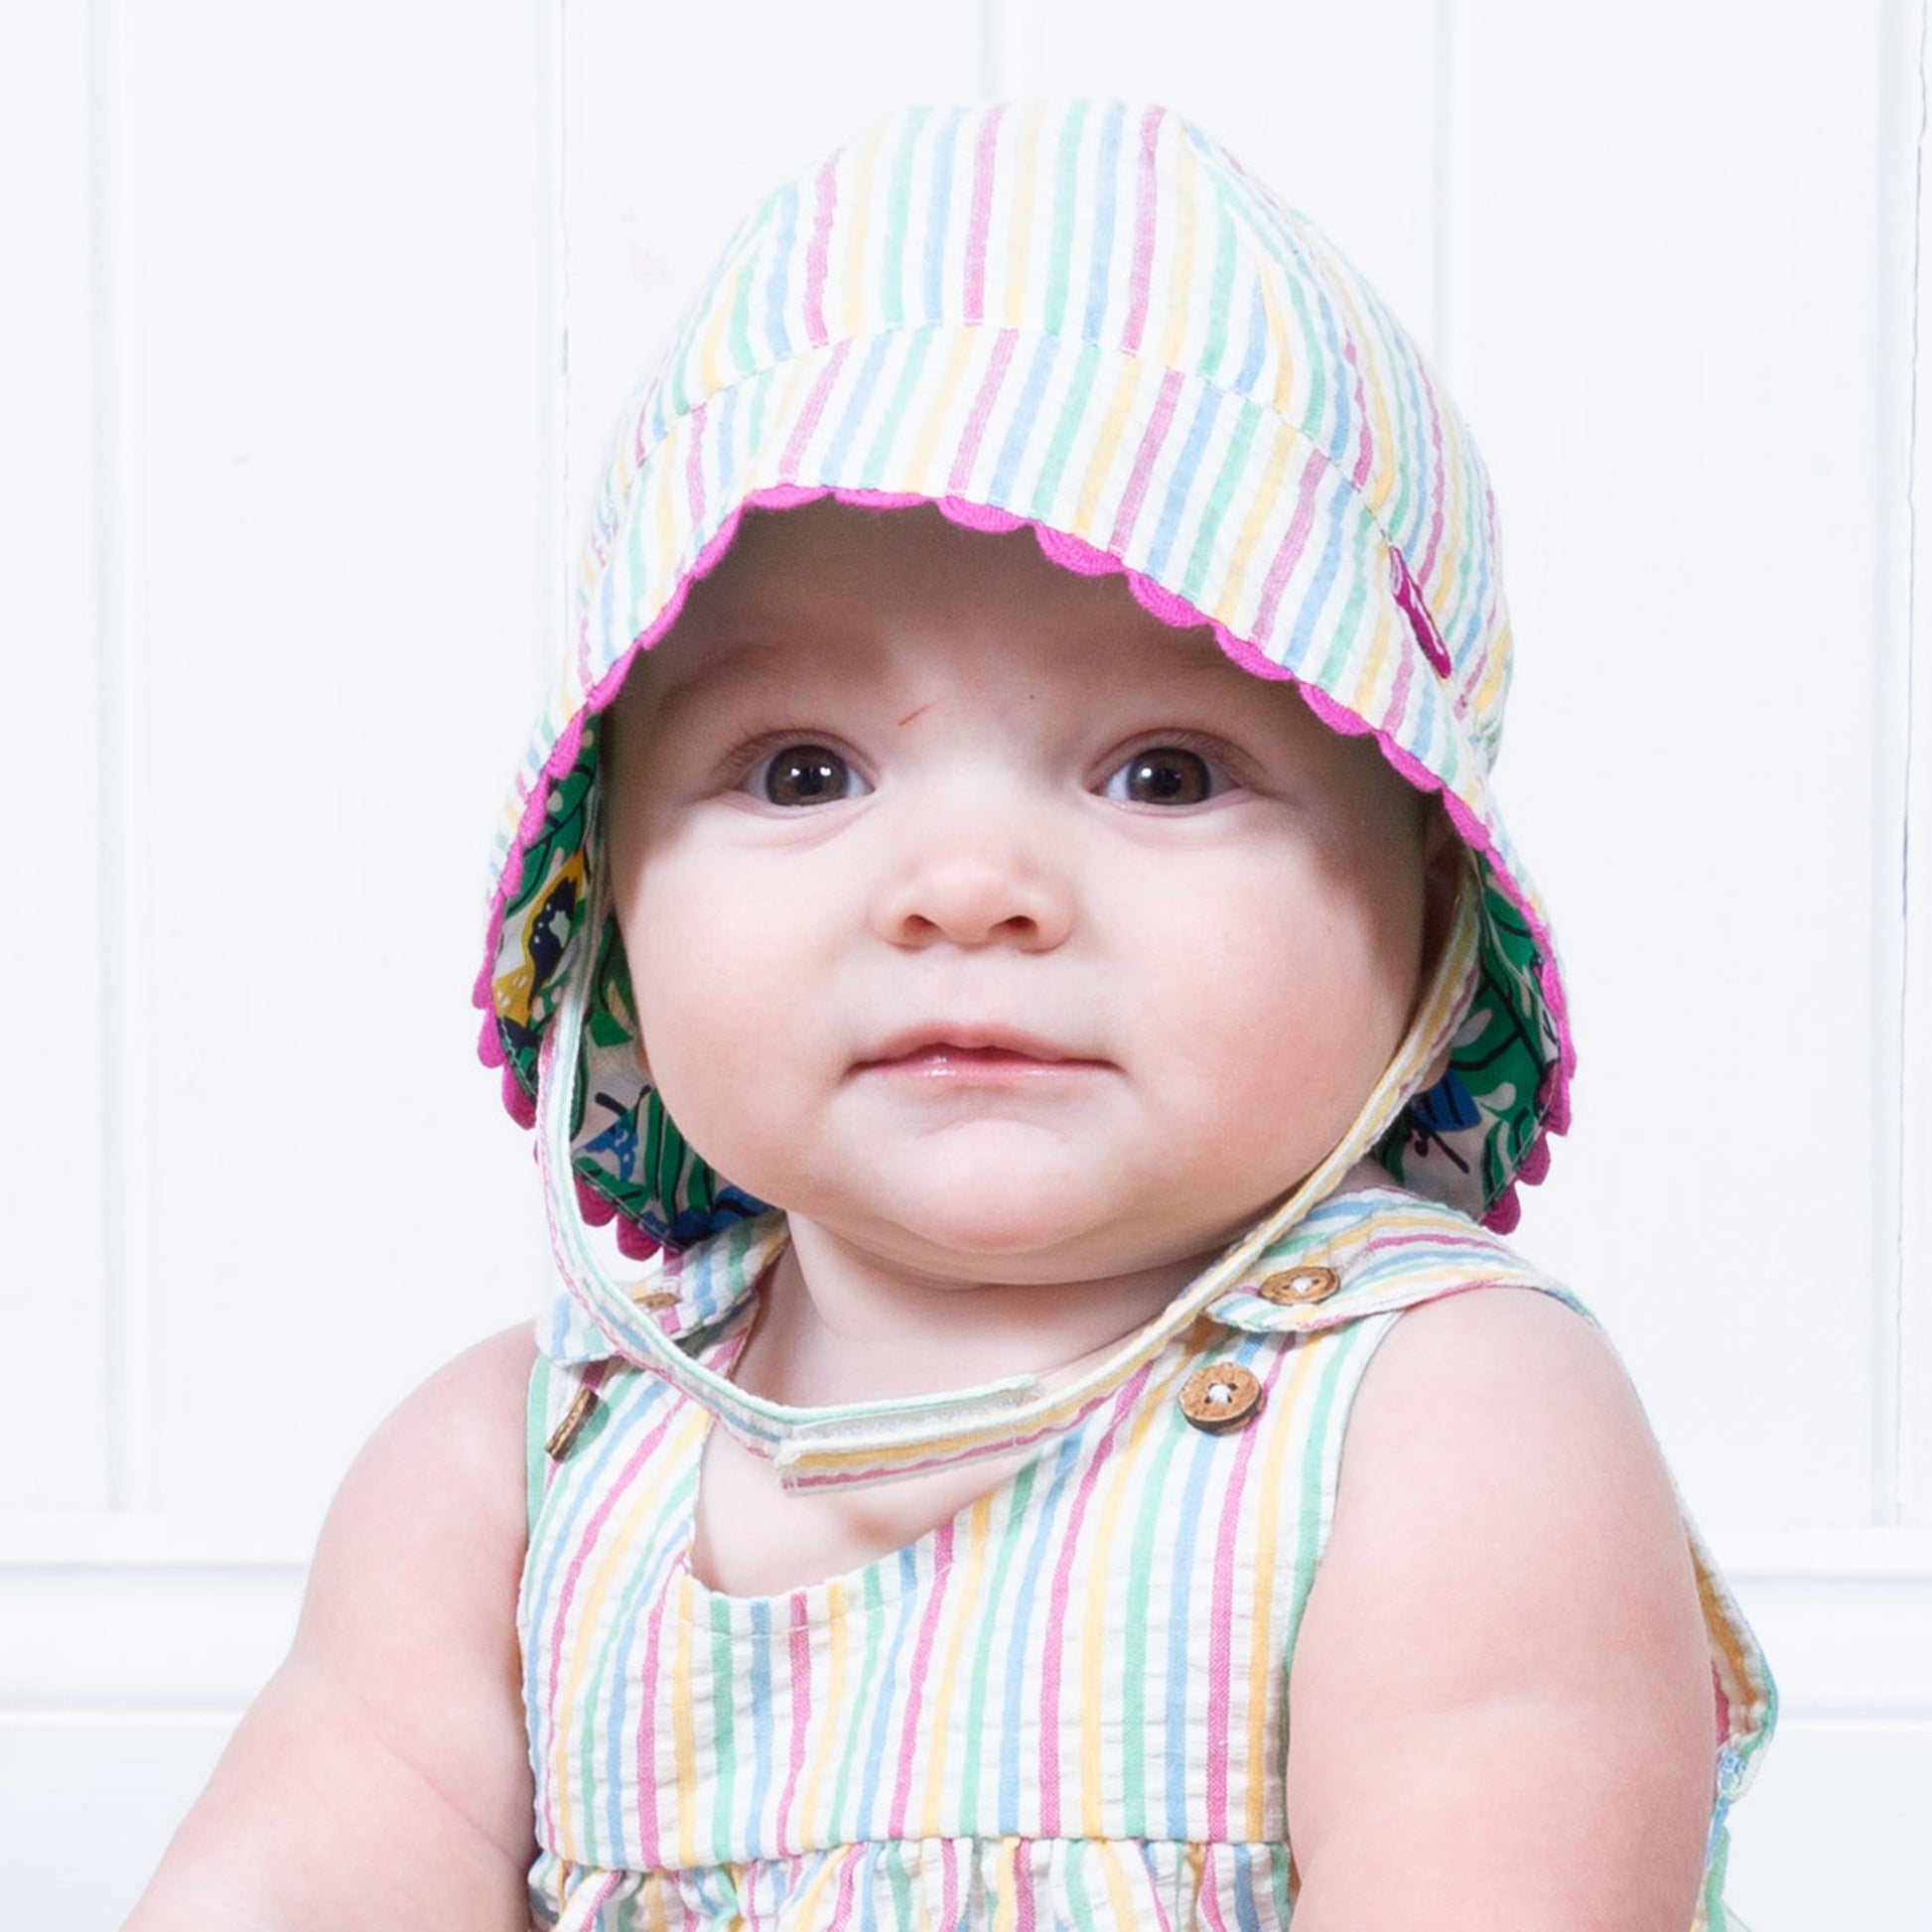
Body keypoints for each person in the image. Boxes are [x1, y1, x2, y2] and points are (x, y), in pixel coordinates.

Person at [126, 100, 1773, 1932]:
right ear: (604, 896)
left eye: (1163, 771)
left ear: (1433, 900)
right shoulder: (507, 1478)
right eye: (801, 768)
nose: (965, 885)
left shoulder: (1449, 1422)